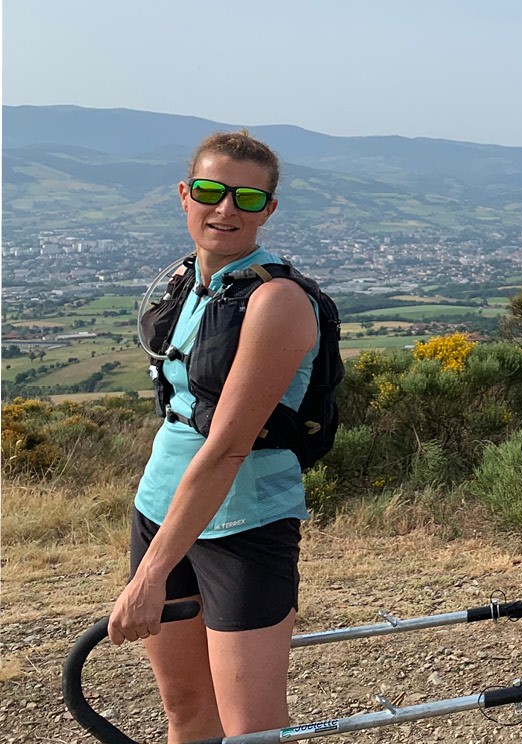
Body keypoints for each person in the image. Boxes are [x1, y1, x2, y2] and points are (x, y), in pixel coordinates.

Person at [108, 131, 320, 741]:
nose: (226, 209)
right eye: (210, 191)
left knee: (250, 730)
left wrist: (150, 575)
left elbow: (228, 445)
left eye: (248, 199)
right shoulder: (187, 282)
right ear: (184, 194)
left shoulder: (275, 299)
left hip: (244, 522)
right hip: (159, 504)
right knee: (186, 711)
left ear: (269, 210)